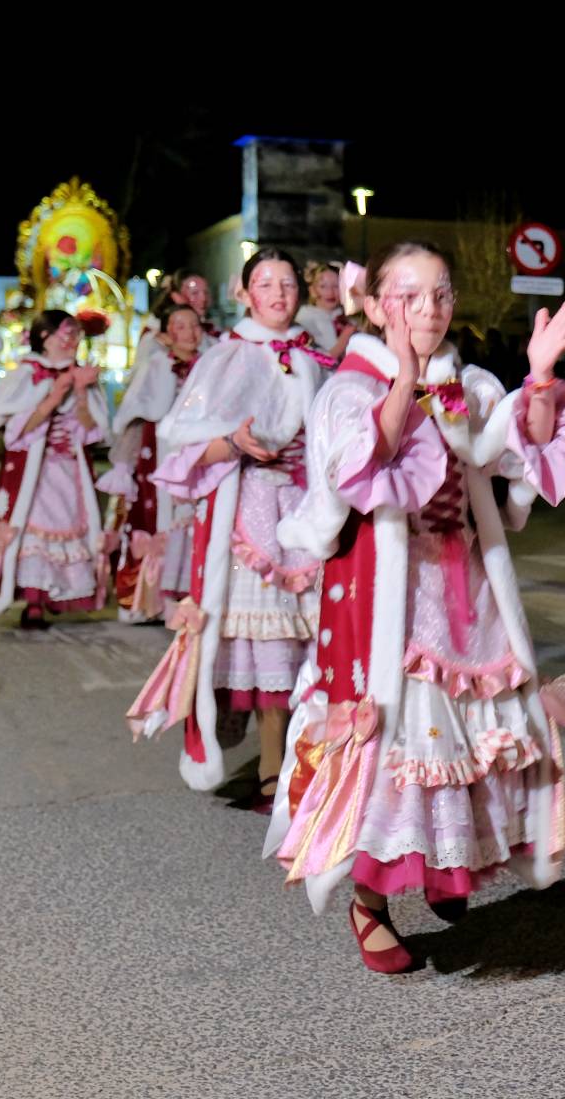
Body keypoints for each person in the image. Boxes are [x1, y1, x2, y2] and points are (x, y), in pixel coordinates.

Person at [265, 240, 565, 973]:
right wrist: (405, 378)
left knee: (472, 739)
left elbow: (518, 449)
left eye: (441, 294)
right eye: (411, 296)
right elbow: (361, 467)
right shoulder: (348, 388)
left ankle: (450, 864)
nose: (430, 308)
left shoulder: (469, 381)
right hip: (389, 603)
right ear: (379, 305)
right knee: (396, 745)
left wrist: (538, 379)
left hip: (467, 592)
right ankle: (369, 902)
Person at [125, 248, 329, 806]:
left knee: (309, 639)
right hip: (254, 514)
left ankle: (303, 753)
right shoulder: (230, 356)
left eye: (288, 283)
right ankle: (270, 759)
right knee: (269, 639)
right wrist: (233, 443)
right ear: (244, 293)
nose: (280, 293)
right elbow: (181, 436)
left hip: (310, 508)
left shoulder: (314, 356)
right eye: (266, 283)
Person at [0, 311, 110, 628]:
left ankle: (56, 592)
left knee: (69, 530)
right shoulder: (25, 375)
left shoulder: (82, 375)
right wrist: (52, 397)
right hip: (32, 475)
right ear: (44, 337)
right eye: (65, 333)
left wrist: (81, 393)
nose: (72, 341)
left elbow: (91, 431)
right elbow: (16, 431)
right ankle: (33, 600)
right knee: (30, 533)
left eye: (76, 334)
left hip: (69, 473)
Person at [97, 304, 203, 624]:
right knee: (157, 516)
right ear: (169, 332)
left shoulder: (209, 364)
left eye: (195, 325)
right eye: (182, 325)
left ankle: (188, 592)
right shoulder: (157, 365)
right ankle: (148, 598)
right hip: (161, 451)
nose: (190, 332)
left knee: (193, 519)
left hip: (198, 453)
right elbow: (137, 410)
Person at [295, 262, 356, 361]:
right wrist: (344, 340)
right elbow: (318, 359)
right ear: (312, 290)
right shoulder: (306, 319)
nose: (330, 292)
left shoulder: (345, 319)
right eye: (323, 286)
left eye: (336, 286)